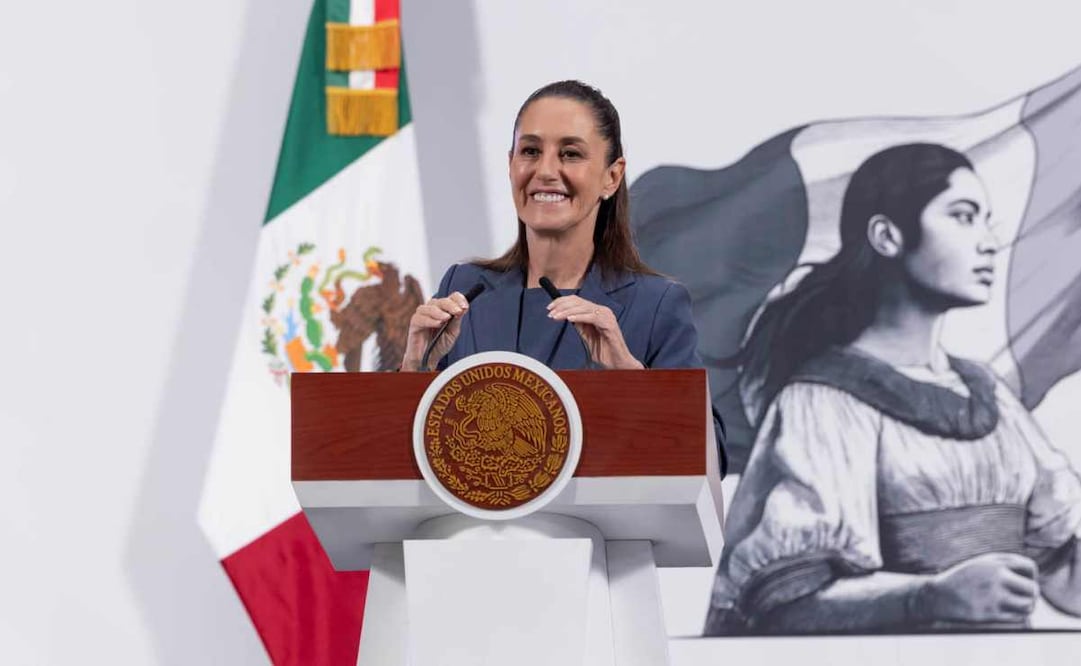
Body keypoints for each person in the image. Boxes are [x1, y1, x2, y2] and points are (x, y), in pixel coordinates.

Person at [704, 143, 1081, 634]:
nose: (988, 242)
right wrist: (930, 597)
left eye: (986, 220)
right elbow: (782, 600)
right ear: (886, 236)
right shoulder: (823, 402)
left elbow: (1062, 567)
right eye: (963, 217)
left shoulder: (989, 395)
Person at [399, 80, 725, 463]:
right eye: (531, 151)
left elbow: (712, 456)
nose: (546, 171)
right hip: (473, 524)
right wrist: (412, 369)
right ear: (510, 165)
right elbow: (407, 450)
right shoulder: (465, 288)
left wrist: (632, 379)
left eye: (570, 154)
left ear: (612, 177)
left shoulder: (654, 305)